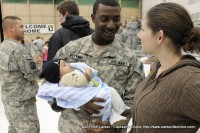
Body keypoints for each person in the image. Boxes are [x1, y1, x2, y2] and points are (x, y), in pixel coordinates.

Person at [42, 0, 144, 132]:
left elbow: (135, 101)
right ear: (93, 18)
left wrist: (113, 127)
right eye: (104, 19)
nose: (111, 25)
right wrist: (76, 101)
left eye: (116, 19)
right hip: (72, 128)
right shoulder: (70, 50)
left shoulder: (130, 59)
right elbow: (47, 83)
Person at [130, 2, 200, 133]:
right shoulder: (158, 67)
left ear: (160, 36)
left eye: (143, 29)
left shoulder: (189, 81)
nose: (139, 35)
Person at [0, 16, 42, 133]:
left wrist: (31, 62)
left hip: (9, 101)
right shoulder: (19, 49)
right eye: (21, 26)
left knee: (13, 129)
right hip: (23, 104)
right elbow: (33, 75)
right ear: (11, 28)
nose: (24, 29)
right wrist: (37, 65)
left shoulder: (2, 48)